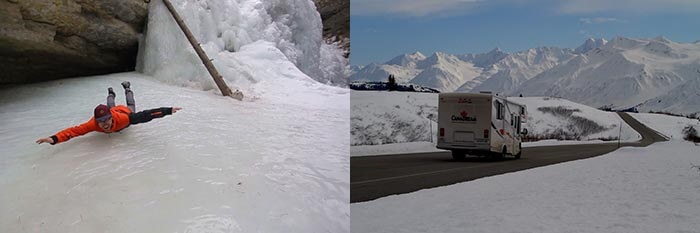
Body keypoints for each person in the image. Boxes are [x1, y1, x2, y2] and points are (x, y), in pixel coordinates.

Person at [36, 81, 182, 145]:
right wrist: (53, 138)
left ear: (111, 118)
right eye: (101, 121)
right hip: (112, 110)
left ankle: (127, 88)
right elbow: (73, 132)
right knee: (110, 104)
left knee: (131, 104)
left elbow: (147, 115)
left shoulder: (126, 119)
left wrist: (167, 111)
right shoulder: (94, 124)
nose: (104, 124)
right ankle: (111, 93)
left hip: (123, 112)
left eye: (106, 120)